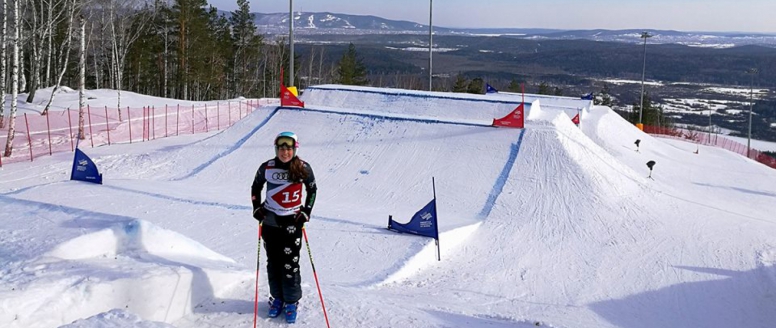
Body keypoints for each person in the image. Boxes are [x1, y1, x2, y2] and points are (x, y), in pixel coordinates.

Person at [251, 131, 317, 323]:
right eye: (281, 148)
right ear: (276, 149)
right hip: (270, 221)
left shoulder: (303, 168)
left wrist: (306, 211)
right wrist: (256, 208)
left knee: (290, 264)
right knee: (273, 262)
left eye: (288, 148)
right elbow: (256, 187)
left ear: (295, 149)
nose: (284, 152)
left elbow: (312, 189)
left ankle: (291, 301)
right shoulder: (267, 167)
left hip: (292, 222)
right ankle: (277, 298)